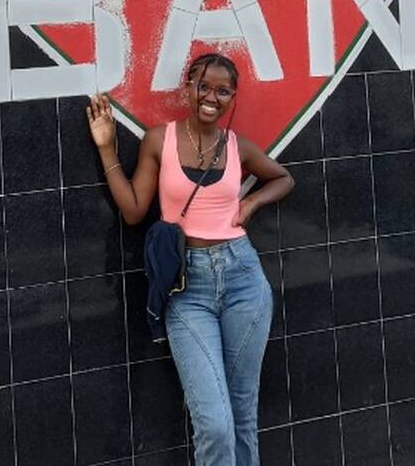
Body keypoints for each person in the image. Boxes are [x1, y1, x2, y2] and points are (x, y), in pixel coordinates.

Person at [86, 51, 295, 466]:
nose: (211, 97)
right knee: (215, 425)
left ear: (232, 97)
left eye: (223, 91)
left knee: (242, 415)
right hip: (188, 289)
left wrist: (251, 202)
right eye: (204, 86)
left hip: (242, 279)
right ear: (188, 88)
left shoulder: (238, 147)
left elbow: (284, 178)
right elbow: (134, 211)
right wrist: (107, 147)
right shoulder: (159, 140)